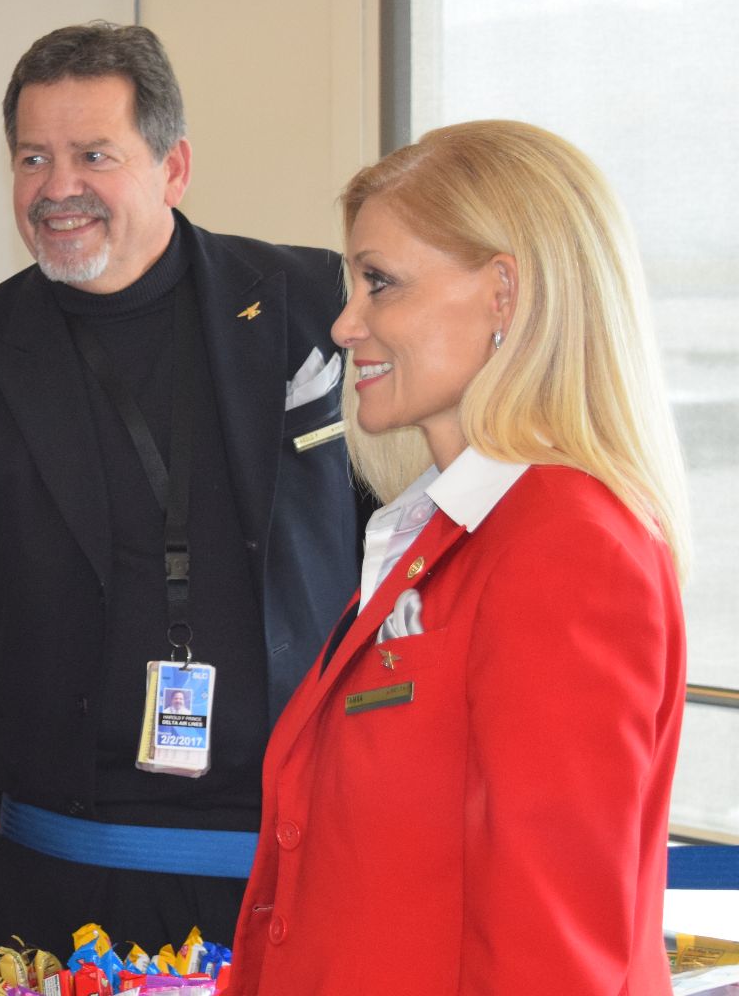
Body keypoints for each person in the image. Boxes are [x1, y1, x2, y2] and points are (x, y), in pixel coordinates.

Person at [0, 21, 364, 953]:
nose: (57, 188)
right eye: (32, 157)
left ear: (174, 166)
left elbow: (405, 530)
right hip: (68, 885)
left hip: (303, 864)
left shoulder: (308, 308)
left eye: (94, 154)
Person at [222, 120, 688, 995]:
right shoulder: (428, 536)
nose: (344, 323)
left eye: (380, 284)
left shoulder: (565, 543)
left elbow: (551, 951)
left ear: (504, 294)